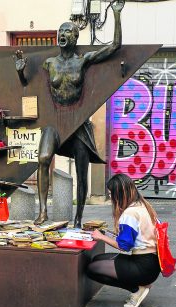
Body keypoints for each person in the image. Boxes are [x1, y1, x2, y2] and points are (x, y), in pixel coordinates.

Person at [15, 0, 124, 227]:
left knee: (82, 172)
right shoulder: (49, 63)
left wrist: (115, 14)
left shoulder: (83, 60)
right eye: (60, 31)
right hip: (55, 120)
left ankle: (78, 219)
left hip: (78, 122)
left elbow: (114, 46)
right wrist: (20, 72)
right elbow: (27, 84)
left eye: (67, 31)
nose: (62, 34)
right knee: (43, 158)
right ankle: (43, 211)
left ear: (75, 37)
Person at [87, 173, 160, 307]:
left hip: (143, 266)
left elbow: (124, 246)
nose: (110, 198)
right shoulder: (144, 205)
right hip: (153, 263)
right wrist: (112, 234)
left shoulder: (130, 213)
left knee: (92, 269)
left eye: (111, 194)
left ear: (119, 194)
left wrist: (101, 237)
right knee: (98, 259)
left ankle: (136, 289)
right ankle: (140, 286)